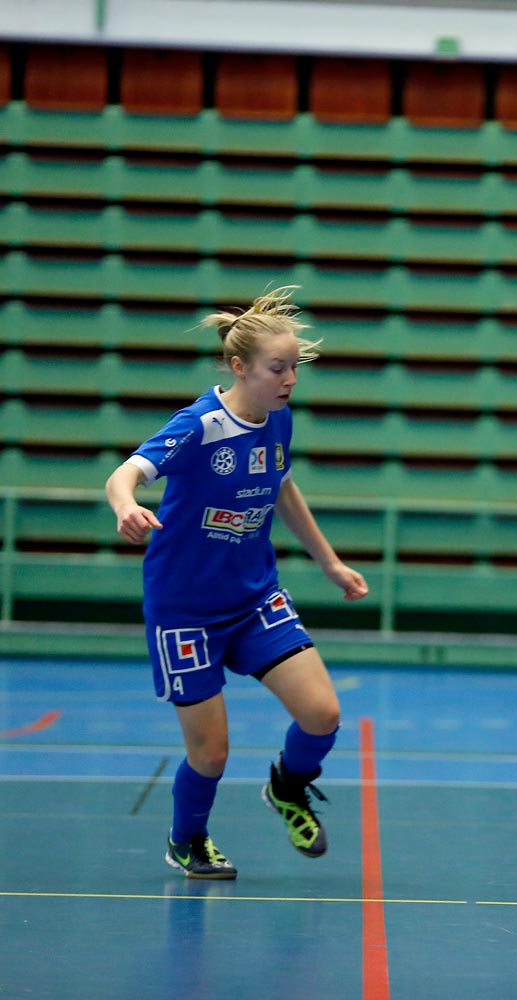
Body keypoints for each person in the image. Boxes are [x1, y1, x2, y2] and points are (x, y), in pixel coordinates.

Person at [104, 286, 369, 879]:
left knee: (322, 713)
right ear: (238, 366)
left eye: (294, 368)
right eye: (278, 368)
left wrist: (328, 561)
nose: (289, 380)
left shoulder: (278, 419)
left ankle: (287, 789)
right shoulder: (199, 426)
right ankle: (188, 839)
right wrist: (125, 505)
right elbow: (125, 474)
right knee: (212, 753)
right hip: (184, 610)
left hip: (253, 598)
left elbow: (281, 485)